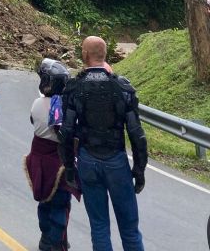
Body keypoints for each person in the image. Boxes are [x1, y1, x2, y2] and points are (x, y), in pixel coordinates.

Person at [59, 35, 148, 251]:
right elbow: (137, 133)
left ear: (85, 55)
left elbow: (66, 131)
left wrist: (70, 167)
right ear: (105, 55)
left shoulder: (74, 87)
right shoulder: (122, 88)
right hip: (116, 159)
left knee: (99, 227)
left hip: (88, 159)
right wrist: (139, 169)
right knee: (129, 228)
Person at [24, 58, 80, 251]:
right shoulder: (63, 107)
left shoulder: (37, 103)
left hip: (38, 157)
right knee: (60, 203)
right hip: (57, 161)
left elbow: (34, 121)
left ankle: (47, 237)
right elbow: (69, 134)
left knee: (44, 201)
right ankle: (55, 241)